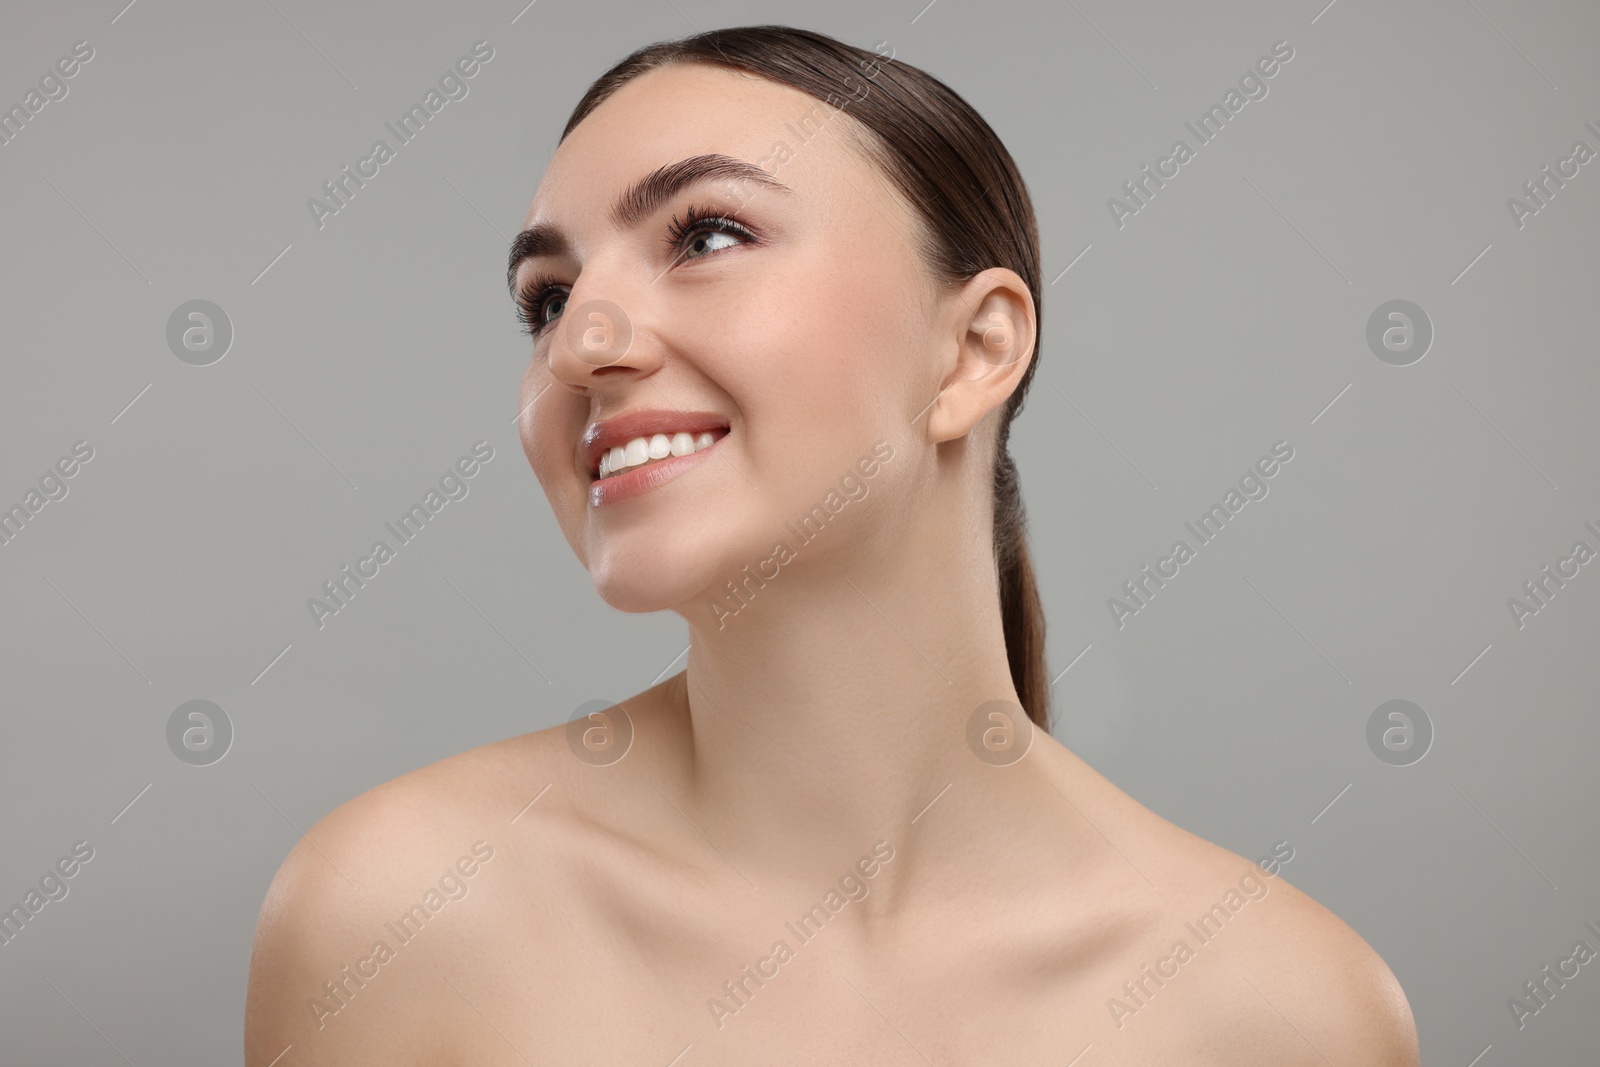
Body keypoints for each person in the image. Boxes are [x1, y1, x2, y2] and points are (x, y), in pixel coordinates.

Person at [245, 25, 1420, 1064]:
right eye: (546, 298)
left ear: (971, 353)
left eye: (705, 234)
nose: (581, 342)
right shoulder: (401, 911)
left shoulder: (1279, 1009)